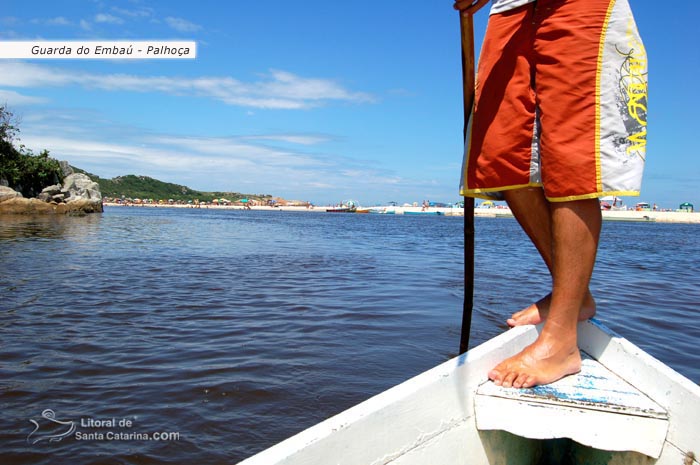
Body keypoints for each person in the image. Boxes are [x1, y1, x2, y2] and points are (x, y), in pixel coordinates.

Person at [454, 0, 647, 388]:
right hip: (509, 10)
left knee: (572, 160)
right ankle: (578, 297)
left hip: (577, 6)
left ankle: (561, 340)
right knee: (500, 158)